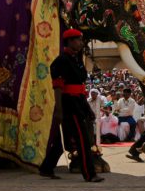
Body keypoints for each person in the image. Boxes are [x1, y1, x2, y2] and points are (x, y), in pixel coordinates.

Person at [39, 28, 103, 182]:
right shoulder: (61, 61)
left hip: (79, 101)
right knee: (83, 139)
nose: (81, 43)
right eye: (78, 40)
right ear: (69, 41)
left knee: (65, 141)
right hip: (68, 103)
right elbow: (58, 88)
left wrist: (87, 108)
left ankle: (46, 168)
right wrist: (59, 110)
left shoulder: (77, 60)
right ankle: (89, 174)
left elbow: (80, 86)